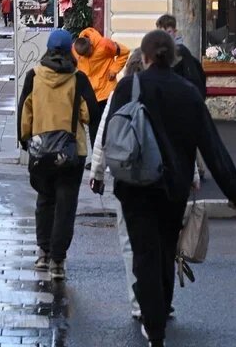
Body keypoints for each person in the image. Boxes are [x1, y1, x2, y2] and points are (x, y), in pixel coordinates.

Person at [95, 30, 236, 347]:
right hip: (173, 189)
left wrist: (105, 170)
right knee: (164, 252)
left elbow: (110, 135)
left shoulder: (129, 87)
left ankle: (154, 328)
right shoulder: (188, 92)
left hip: (135, 187)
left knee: (143, 255)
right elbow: (211, 145)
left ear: (146, 57)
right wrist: (233, 192)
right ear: (174, 58)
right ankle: (159, 315)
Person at [17, 28, 97, 281]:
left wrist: (26, 142)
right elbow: (90, 114)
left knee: (44, 200)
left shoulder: (34, 76)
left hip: (41, 150)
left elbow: (25, 112)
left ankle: (43, 252)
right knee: (66, 205)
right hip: (72, 151)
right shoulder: (78, 79)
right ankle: (58, 261)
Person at [87, 48, 147, 320]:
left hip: (125, 174)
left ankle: (138, 301)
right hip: (159, 175)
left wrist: (97, 172)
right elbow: (179, 135)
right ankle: (160, 297)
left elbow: (104, 132)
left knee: (129, 241)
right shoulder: (162, 90)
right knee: (159, 240)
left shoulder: (120, 91)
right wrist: (191, 174)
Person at [73, 26, 131, 125]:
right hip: (90, 96)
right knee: (94, 128)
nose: (87, 56)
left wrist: (114, 69)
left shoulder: (105, 44)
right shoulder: (75, 50)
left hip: (106, 93)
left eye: (88, 53)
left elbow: (124, 52)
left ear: (91, 44)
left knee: (108, 125)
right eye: (84, 56)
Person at [154, 14, 207, 99]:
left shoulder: (181, 51)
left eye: (169, 32)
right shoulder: (155, 52)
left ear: (175, 32)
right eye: (162, 33)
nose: (165, 36)